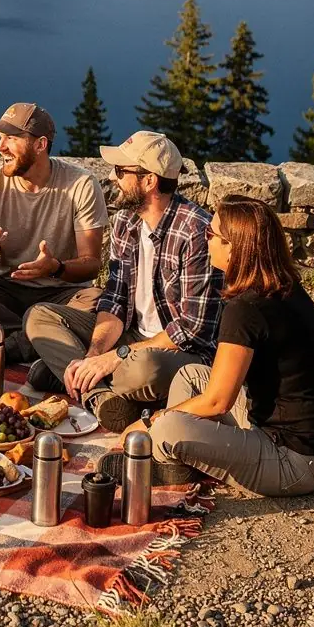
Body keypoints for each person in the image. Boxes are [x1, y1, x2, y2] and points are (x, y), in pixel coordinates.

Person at [101, 196, 314, 493]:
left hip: (295, 462)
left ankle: (169, 454)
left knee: (166, 427)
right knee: (190, 375)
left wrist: (149, 421)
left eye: (211, 234)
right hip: (306, 439)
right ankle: (177, 462)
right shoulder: (282, 285)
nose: (205, 239)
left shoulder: (245, 308)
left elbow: (218, 402)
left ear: (234, 247)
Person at [26, 130, 221, 431]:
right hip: (132, 336)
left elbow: (190, 330)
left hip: (182, 352)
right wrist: (94, 355)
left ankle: (70, 373)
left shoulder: (196, 232)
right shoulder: (126, 221)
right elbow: (115, 299)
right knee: (39, 316)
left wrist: (116, 357)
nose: (112, 177)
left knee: (144, 370)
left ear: (149, 181)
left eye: (120, 171)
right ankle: (99, 393)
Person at [0, 103, 107, 369]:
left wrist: (55, 268)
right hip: (6, 290)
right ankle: (39, 338)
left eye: (11, 138)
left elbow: (91, 264)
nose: (0, 147)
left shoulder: (81, 184)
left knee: (99, 301)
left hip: (62, 293)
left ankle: (8, 345)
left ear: (40, 145)